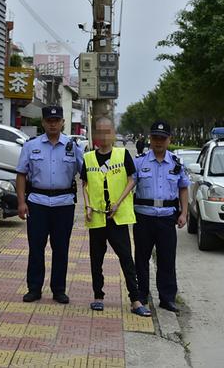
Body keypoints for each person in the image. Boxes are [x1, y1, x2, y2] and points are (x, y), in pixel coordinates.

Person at [80, 117, 151, 316]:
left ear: (112, 133)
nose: (103, 136)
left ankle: (135, 300)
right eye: (99, 132)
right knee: (96, 258)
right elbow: (84, 184)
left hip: (117, 217)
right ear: (95, 135)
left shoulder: (122, 155)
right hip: (96, 216)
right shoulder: (88, 158)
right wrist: (87, 206)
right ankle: (98, 297)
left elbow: (132, 180)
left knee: (126, 258)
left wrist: (118, 202)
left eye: (107, 131)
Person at [16, 105, 84, 304]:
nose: (53, 124)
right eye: (49, 121)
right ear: (43, 123)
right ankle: (34, 288)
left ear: (63, 122)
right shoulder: (31, 146)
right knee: (36, 247)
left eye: (57, 121)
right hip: (37, 203)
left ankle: (59, 289)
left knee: (61, 248)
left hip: (64, 204)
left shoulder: (73, 147)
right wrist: (21, 202)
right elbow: (21, 174)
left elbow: (87, 174)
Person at [133, 120, 190, 313]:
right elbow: (128, 186)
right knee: (141, 259)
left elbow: (183, 188)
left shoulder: (176, 163)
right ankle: (141, 296)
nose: (158, 141)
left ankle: (167, 298)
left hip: (167, 218)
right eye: (155, 138)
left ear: (169, 140)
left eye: (162, 138)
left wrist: (184, 213)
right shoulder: (139, 162)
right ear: (150, 139)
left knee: (167, 259)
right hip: (143, 217)